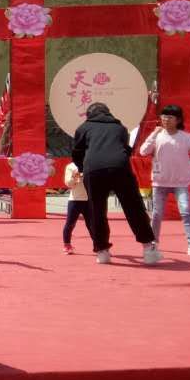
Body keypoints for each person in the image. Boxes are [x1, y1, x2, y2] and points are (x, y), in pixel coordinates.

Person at [71, 102, 161, 265]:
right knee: (134, 207)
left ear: (89, 114)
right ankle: (149, 248)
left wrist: (83, 168)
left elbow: (77, 153)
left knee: (97, 210)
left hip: (94, 169)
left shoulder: (83, 128)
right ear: (108, 112)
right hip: (120, 167)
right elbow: (126, 149)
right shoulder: (119, 128)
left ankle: (102, 252)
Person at [139, 104, 190, 258]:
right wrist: (153, 134)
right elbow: (143, 151)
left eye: (170, 117)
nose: (165, 119)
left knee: (185, 212)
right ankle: (153, 243)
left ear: (178, 120)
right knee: (157, 215)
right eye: (164, 116)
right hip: (160, 181)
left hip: (180, 182)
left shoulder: (186, 137)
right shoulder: (157, 135)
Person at [62, 161, 91, 254]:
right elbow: (68, 183)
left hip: (89, 200)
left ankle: (99, 246)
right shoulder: (71, 166)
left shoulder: (90, 163)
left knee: (92, 225)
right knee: (70, 224)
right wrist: (75, 176)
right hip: (75, 200)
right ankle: (67, 245)